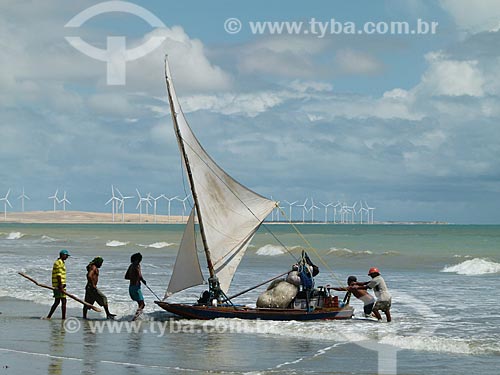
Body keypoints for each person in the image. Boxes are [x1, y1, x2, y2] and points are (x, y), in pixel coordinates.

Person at [46, 249, 70, 319]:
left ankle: (49, 316)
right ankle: (63, 317)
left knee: (58, 301)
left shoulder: (62, 262)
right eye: (66, 255)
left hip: (61, 285)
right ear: (62, 255)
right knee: (63, 301)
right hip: (59, 285)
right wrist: (60, 286)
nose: (67, 257)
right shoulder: (58, 263)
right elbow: (58, 275)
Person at [125, 252, 146, 320]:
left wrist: (133, 278)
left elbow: (126, 277)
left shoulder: (131, 266)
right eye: (139, 259)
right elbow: (139, 274)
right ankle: (135, 318)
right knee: (142, 304)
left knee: (140, 304)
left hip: (131, 288)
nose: (140, 261)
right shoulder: (137, 265)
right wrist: (142, 280)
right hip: (136, 288)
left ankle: (138, 317)